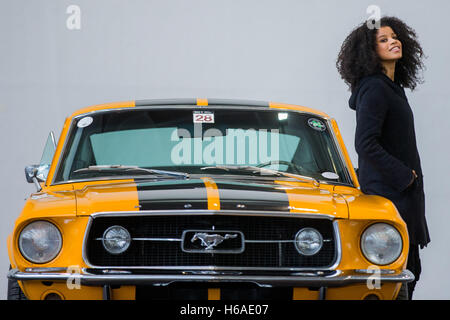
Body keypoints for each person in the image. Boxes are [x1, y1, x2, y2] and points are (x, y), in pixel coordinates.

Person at [336, 16, 430, 299]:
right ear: (369, 51)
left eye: (394, 37)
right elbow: (365, 144)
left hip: (402, 197)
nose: (393, 41)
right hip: (390, 197)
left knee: (409, 272)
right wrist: (405, 176)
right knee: (396, 279)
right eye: (383, 39)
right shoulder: (375, 88)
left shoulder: (391, 88)